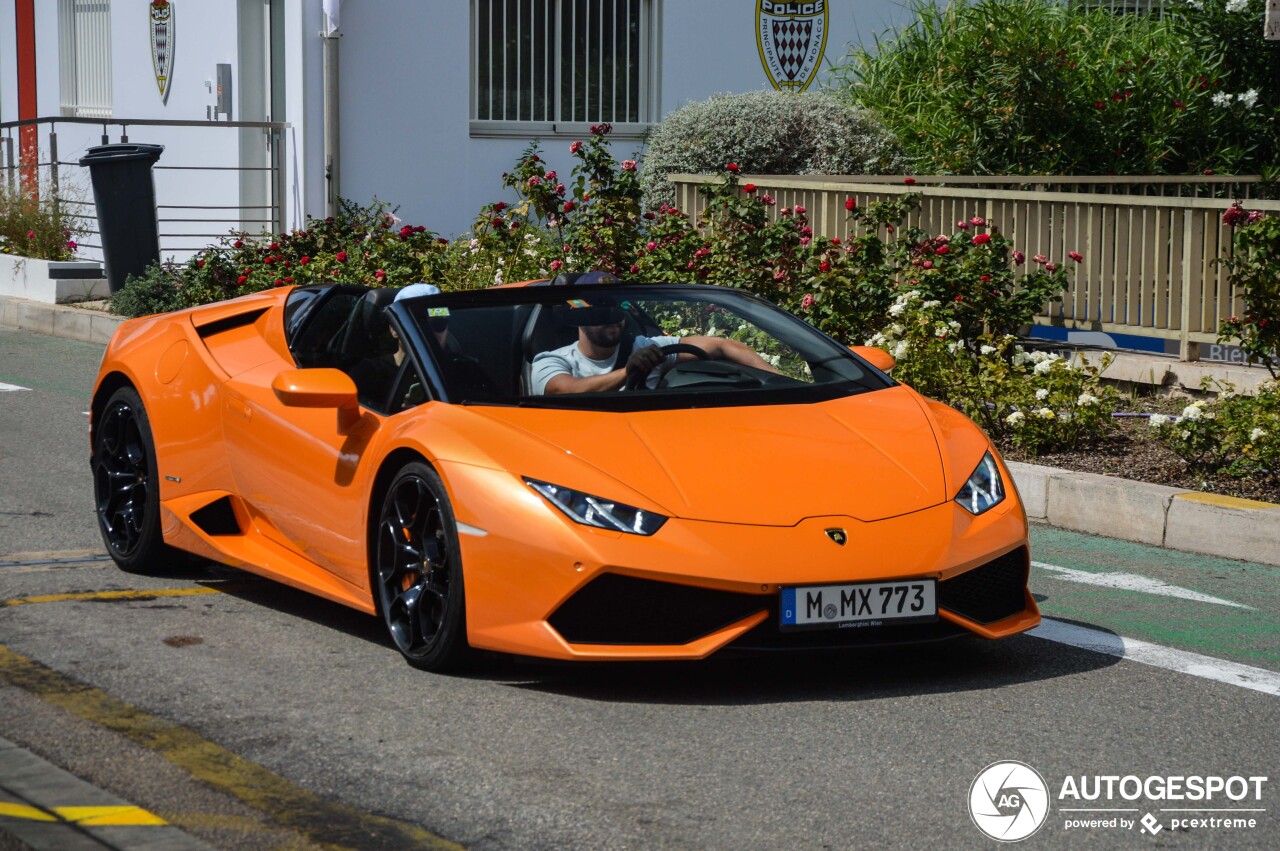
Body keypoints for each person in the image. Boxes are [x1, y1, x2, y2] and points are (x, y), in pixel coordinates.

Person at [531, 298, 778, 395]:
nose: (613, 319)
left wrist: (779, 382)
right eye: (600, 312)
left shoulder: (646, 346)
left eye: (617, 310)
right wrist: (628, 372)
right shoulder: (551, 360)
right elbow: (563, 391)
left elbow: (723, 346)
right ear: (578, 320)